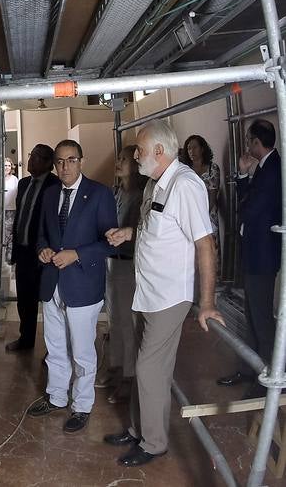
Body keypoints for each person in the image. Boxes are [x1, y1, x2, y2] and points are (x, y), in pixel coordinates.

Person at [104, 120, 224, 467]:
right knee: (145, 367)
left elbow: (205, 244)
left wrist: (207, 303)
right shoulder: (155, 184)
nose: (135, 155)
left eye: (139, 150)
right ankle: (138, 428)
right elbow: (157, 230)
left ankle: (153, 442)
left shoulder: (185, 185)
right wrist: (129, 233)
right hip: (148, 291)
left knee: (148, 367)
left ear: (159, 151)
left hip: (170, 296)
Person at [28, 140, 117, 433]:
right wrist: (42, 249)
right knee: (54, 346)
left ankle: (81, 405)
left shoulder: (100, 194)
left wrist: (77, 254)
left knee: (82, 350)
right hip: (52, 281)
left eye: (71, 160)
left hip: (83, 284)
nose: (64, 166)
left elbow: (109, 243)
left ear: (81, 161)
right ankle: (56, 396)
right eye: (59, 161)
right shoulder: (50, 194)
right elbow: (41, 233)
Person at [217, 118, 281, 397]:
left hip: (262, 256)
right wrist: (243, 176)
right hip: (255, 253)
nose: (246, 145)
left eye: (248, 140)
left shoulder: (273, 170)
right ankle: (252, 368)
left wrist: (243, 180)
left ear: (257, 142)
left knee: (261, 317)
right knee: (253, 316)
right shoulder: (266, 168)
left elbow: (250, 209)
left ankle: (267, 376)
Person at [5, 144, 59, 353]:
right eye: (31, 155)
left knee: (48, 302)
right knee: (25, 300)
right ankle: (26, 339)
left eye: (36, 157)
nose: (30, 160)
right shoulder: (25, 183)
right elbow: (21, 216)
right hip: (24, 250)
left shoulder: (55, 186)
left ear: (47, 163)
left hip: (44, 253)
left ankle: (53, 350)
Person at [106, 145, 146, 404]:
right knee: (114, 320)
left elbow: (142, 233)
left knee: (129, 322)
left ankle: (130, 376)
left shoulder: (142, 195)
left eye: (123, 159)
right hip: (112, 261)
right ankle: (116, 368)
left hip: (130, 264)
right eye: (118, 158)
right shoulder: (116, 192)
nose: (118, 162)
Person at [182, 134, 220, 257]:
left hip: (208, 217)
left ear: (202, 148)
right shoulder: (185, 170)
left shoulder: (212, 168)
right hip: (188, 217)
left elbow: (212, 196)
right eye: (189, 148)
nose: (191, 151)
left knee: (210, 253)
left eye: (195, 147)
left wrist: (200, 217)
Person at [3, 157, 18, 264]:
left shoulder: (14, 179)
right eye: (5, 165)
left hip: (12, 210)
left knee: (10, 235)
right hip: (1, 210)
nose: (7, 167)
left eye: (8, 165)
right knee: (2, 234)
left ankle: (9, 258)